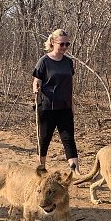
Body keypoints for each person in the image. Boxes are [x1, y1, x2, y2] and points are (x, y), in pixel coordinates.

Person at [32, 29, 80, 174]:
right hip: (47, 106)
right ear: (53, 43)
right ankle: (41, 168)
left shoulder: (68, 62)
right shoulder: (44, 61)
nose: (65, 47)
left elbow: (69, 85)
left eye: (67, 44)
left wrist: (72, 106)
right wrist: (35, 88)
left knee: (68, 138)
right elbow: (36, 81)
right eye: (62, 44)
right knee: (44, 137)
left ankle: (76, 171)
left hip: (65, 106)